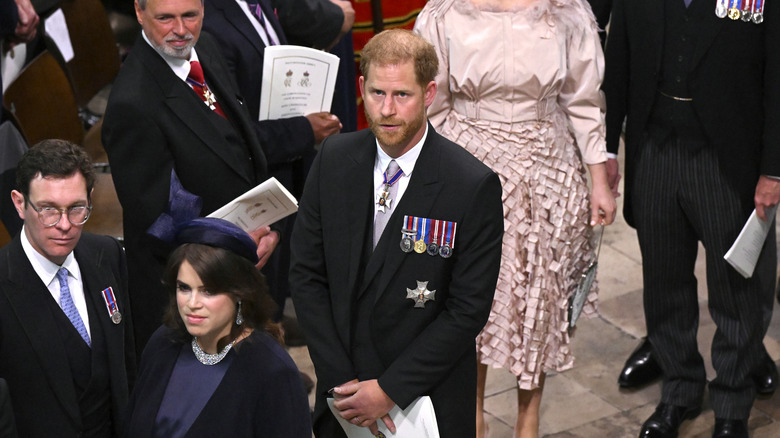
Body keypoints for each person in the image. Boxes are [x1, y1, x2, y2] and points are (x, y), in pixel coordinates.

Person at [414, 1, 616, 436]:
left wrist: (599, 178)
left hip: (549, 167)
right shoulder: (443, 14)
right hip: (471, 162)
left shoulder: (567, 11)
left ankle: (529, 419)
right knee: (471, 292)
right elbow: (431, 104)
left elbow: (583, 100)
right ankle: (473, 414)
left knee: (540, 292)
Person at [289, 29, 504, 437]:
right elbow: (306, 275)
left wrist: (390, 389)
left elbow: (467, 310)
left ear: (429, 93)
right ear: (360, 88)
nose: (386, 110)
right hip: (344, 398)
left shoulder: (470, 185)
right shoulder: (333, 159)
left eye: (402, 95)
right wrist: (341, 383)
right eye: (377, 93)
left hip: (425, 401)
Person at [603, 0, 779, 436]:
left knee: (738, 289)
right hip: (655, 150)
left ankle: (733, 403)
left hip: (728, 160)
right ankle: (679, 389)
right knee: (664, 284)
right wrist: (607, 148)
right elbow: (618, 63)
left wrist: (774, 169)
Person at [102, 0, 278, 357]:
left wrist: (265, 224)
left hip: (239, 270)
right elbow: (160, 223)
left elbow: (240, 145)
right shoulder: (131, 103)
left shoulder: (205, 48)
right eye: (165, 18)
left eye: (190, 16)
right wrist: (237, 243)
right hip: (186, 299)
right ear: (139, 12)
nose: (180, 30)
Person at [201, 0, 342, 326]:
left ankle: (272, 357)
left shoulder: (258, 5)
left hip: (281, 173)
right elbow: (233, 135)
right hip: (251, 183)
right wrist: (305, 130)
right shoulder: (210, 24)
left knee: (273, 294)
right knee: (252, 303)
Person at [125, 216, 311, 437]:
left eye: (208, 291)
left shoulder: (272, 371)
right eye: (184, 288)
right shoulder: (163, 342)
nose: (192, 304)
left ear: (240, 293)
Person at [0, 139, 135, 437]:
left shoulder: (108, 255)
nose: (64, 225)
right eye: (48, 210)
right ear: (19, 203)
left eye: (77, 208)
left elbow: (127, 361)